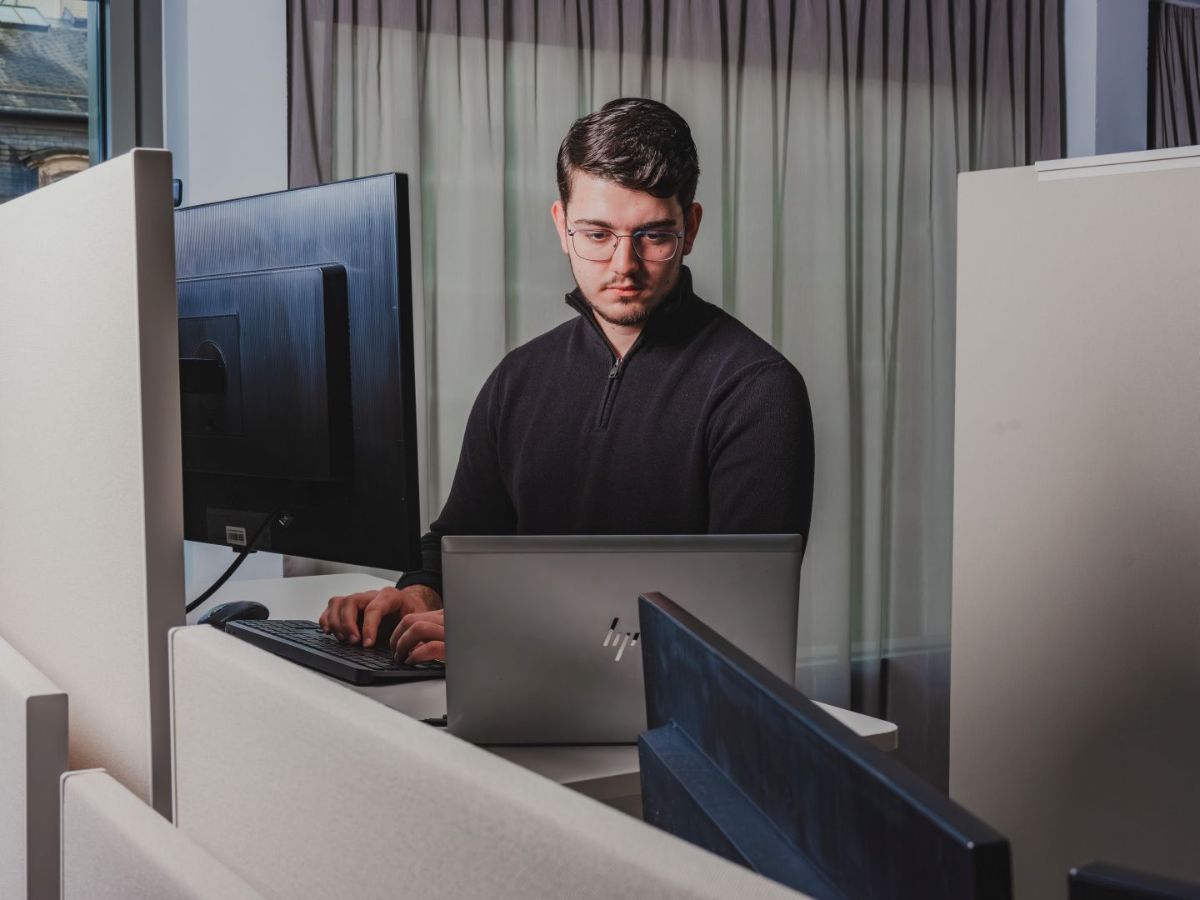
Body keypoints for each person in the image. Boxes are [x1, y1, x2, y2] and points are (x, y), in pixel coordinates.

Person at [319, 97, 814, 663]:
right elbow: (462, 542)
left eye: (653, 236)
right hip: (516, 709)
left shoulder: (758, 391)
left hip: (672, 731)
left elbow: (733, 624)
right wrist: (416, 594)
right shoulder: (518, 378)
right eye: (597, 234)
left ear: (691, 227)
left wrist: (504, 637)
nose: (623, 265)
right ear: (562, 225)